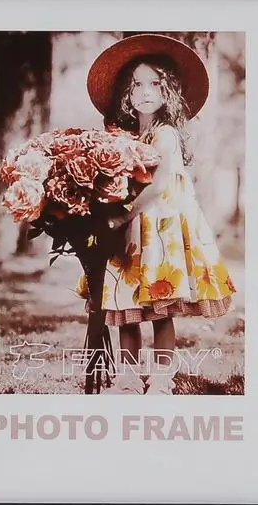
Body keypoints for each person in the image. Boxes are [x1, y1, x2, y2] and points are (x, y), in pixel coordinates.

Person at [82, 33, 236, 395]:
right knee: (126, 306)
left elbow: (160, 185)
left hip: (157, 229)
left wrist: (122, 216)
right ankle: (129, 378)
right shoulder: (129, 136)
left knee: (160, 307)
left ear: (168, 91)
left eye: (155, 83)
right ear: (127, 92)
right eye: (137, 85)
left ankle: (163, 378)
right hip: (130, 231)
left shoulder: (165, 134)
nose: (146, 92)